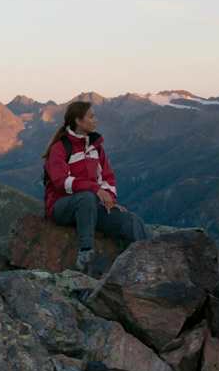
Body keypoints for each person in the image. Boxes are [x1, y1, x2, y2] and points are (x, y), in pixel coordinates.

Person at [42, 100, 149, 271]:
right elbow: (61, 182)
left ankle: (147, 262)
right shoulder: (60, 148)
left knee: (131, 221)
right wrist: (95, 189)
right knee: (86, 197)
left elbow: (108, 178)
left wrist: (109, 199)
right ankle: (86, 254)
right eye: (91, 117)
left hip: (91, 206)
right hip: (62, 207)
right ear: (78, 120)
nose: (95, 120)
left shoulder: (96, 148)